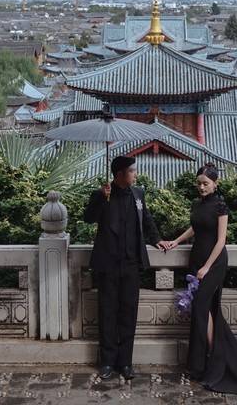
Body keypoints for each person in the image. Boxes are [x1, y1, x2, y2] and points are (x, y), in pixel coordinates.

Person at [158, 162, 237, 395]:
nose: (201, 188)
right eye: (199, 184)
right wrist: (176, 241)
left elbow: (220, 241)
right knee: (205, 310)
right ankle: (206, 361)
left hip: (214, 264)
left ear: (215, 184)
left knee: (201, 308)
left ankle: (215, 361)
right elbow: (195, 228)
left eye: (206, 184)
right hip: (196, 261)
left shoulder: (221, 206)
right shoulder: (197, 204)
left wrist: (207, 267)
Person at [84, 155, 165, 381]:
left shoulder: (138, 194)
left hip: (131, 264)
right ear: (119, 174)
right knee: (107, 313)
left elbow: (147, 219)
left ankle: (126, 363)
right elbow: (88, 218)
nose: (135, 174)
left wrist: (157, 239)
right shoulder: (102, 195)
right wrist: (101, 197)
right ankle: (108, 362)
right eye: (132, 171)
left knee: (128, 313)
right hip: (108, 265)